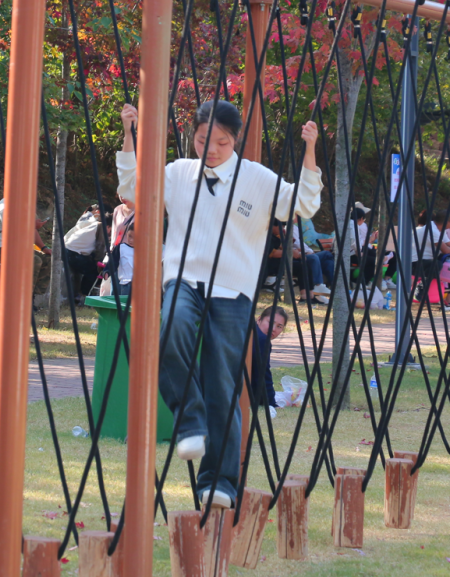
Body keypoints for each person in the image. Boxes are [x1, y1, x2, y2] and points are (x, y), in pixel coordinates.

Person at [118, 99, 322, 510]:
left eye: (222, 143)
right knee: (170, 328)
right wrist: (129, 135)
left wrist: (310, 149)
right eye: (201, 140)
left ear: (236, 140)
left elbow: (301, 204)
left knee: (223, 384)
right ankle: (188, 419)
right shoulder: (178, 172)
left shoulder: (257, 179)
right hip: (184, 278)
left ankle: (219, 481)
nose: (210, 150)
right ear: (192, 137)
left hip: (233, 290)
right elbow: (132, 191)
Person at [0, 198, 52, 293]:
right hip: (2, 249)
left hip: (19, 249)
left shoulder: (22, 205)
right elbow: (12, 231)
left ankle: (31, 294)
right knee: (34, 260)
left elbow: (33, 230)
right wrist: (31, 225)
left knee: (49, 259)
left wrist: (44, 248)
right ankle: (23, 295)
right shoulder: (4, 208)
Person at [267, 220, 318, 304]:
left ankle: (310, 295)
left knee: (306, 265)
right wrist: (290, 252)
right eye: (281, 227)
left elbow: (281, 247)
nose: (282, 229)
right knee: (301, 267)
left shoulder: (276, 236)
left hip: (280, 263)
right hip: (271, 265)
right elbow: (272, 253)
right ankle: (304, 296)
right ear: (273, 226)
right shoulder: (267, 236)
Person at [64, 204, 104, 300]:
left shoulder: (90, 220)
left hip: (67, 248)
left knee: (92, 266)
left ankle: (83, 294)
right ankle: (82, 295)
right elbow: (100, 249)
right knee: (93, 271)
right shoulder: (98, 225)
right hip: (71, 252)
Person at [252, 306, 287, 410]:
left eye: (279, 326)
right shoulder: (262, 340)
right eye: (270, 322)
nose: (273, 329)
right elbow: (262, 374)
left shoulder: (250, 331)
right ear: (259, 319)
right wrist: (271, 403)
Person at [292, 217, 332, 298]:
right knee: (318, 257)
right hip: (298, 256)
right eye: (296, 214)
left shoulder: (295, 227)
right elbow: (297, 243)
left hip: (303, 253)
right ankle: (317, 285)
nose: (298, 216)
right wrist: (309, 251)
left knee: (328, 261)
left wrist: (309, 251)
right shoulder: (289, 228)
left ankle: (335, 286)